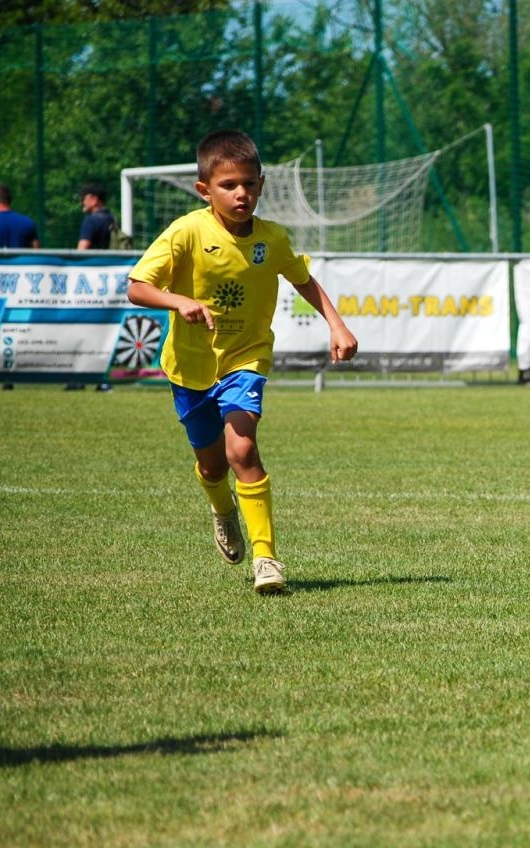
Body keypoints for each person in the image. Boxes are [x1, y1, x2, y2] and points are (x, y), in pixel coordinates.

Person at [126, 129, 358, 594]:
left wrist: (337, 325)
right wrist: (178, 301)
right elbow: (137, 287)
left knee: (243, 450)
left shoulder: (271, 238)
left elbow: (303, 279)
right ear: (204, 190)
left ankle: (266, 558)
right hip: (190, 367)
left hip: (245, 358)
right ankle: (222, 509)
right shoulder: (187, 231)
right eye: (229, 185)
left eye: (249, 184)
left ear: (261, 185)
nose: (241, 194)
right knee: (213, 467)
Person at [76, 182, 116, 250]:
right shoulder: (112, 219)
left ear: (94, 200)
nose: (82, 203)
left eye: (83, 199)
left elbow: (82, 250)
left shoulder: (90, 221)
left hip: (94, 257)